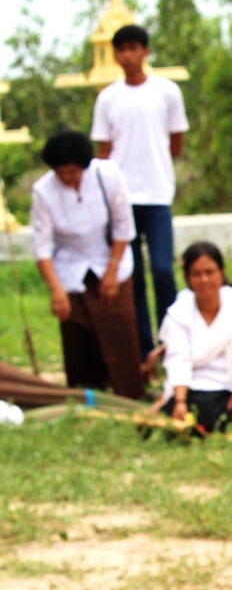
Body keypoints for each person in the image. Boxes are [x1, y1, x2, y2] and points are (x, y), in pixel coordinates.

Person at [91, 23, 190, 360]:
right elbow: (103, 152)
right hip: (121, 200)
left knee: (162, 269)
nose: (128, 55)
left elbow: (176, 142)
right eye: (122, 49)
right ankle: (143, 348)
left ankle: (171, 344)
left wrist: (156, 166)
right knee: (131, 276)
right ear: (116, 54)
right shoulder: (107, 98)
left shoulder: (167, 92)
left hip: (157, 195)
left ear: (145, 51)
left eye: (134, 48)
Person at [30, 129, 144, 399]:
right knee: (77, 339)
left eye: (72, 171)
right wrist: (56, 289)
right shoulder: (43, 191)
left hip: (111, 260)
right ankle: (86, 396)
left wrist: (112, 272)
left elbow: (123, 226)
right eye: (61, 172)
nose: (67, 178)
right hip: (69, 270)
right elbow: (42, 245)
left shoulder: (107, 175)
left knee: (119, 333)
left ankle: (129, 395)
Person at [160, 241, 232, 433]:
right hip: (193, 389)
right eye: (196, 274)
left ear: (221, 272)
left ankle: (199, 425)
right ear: (186, 277)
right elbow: (178, 359)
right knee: (176, 410)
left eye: (210, 272)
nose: (204, 280)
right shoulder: (179, 312)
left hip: (231, 389)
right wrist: (180, 401)